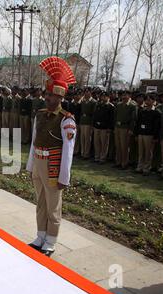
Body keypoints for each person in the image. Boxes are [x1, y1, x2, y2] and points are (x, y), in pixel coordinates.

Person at [26, 56, 77, 257]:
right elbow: (34, 141)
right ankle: (40, 235)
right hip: (39, 163)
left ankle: (51, 240)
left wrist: (64, 177)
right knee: (40, 203)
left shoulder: (67, 120)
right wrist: (31, 166)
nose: (46, 97)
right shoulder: (39, 114)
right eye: (46, 94)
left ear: (59, 97)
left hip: (53, 164)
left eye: (50, 95)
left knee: (53, 206)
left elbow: (68, 151)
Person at [134, 94, 161, 176]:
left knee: (148, 153)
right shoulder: (142, 111)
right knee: (141, 151)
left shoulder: (156, 112)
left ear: (153, 101)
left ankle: (146, 168)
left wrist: (155, 137)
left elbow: (157, 126)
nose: (147, 101)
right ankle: (140, 167)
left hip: (149, 135)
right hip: (141, 133)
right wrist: (136, 134)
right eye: (146, 100)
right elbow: (138, 123)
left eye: (149, 100)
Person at [114, 91, 137, 170]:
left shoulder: (132, 106)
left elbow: (133, 119)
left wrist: (131, 129)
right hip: (118, 126)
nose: (124, 97)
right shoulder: (119, 105)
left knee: (124, 146)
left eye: (126, 95)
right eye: (123, 95)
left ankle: (124, 163)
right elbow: (115, 116)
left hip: (125, 127)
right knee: (118, 145)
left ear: (129, 96)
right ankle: (118, 162)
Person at [92, 91, 115, 164]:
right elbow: (95, 115)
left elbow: (112, 118)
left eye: (105, 96)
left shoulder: (111, 106)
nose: (103, 98)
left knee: (104, 144)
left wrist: (109, 128)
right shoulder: (98, 105)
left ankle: (102, 158)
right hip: (97, 127)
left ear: (108, 97)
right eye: (102, 96)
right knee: (97, 142)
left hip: (105, 128)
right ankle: (97, 157)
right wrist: (94, 125)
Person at [79, 88, 96, 159]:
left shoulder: (93, 102)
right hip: (83, 121)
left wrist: (92, 124)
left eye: (87, 92)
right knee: (82, 138)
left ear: (90, 93)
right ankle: (82, 153)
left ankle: (86, 154)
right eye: (85, 92)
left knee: (87, 138)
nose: (86, 93)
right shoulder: (83, 101)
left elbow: (94, 114)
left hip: (88, 121)